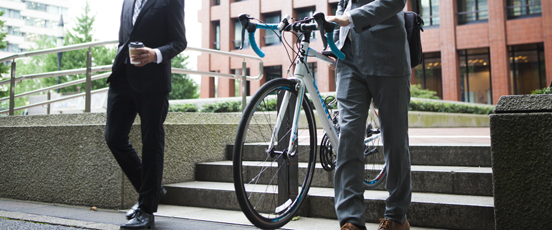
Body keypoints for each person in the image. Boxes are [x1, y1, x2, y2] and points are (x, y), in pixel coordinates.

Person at [326, 0, 412, 229]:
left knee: (395, 140)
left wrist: (350, 18)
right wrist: (335, 41)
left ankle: (396, 216)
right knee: (348, 136)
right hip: (348, 59)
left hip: (388, 53)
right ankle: (351, 220)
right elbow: (344, 5)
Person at [104, 0, 187, 229]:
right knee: (114, 137)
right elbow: (125, 37)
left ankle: (146, 210)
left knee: (151, 142)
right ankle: (150, 191)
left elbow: (179, 42)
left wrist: (155, 54)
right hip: (122, 76)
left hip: (154, 83)